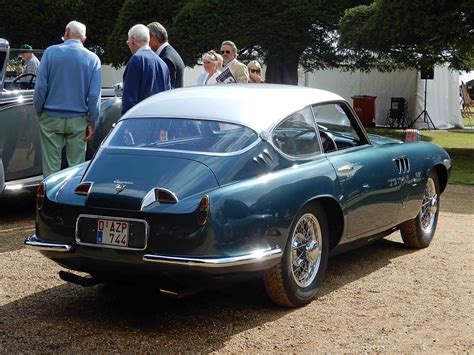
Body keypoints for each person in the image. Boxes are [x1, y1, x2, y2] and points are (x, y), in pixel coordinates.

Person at [33, 21, 101, 178]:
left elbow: (41, 87)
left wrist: (39, 111)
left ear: (66, 33)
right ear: (83, 38)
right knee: (76, 168)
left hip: (50, 116)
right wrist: (92, 121)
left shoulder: (50, 53)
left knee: (51, 168)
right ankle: (70, 200)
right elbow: (93, 95)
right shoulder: (93, 59)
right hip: (78, 119)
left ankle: (50, 200)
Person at [122, 24, 171, 115]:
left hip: (140, 121)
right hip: (159, 120)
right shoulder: (162, 63)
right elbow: (167, 97)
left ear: (132, 41)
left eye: (128, 42)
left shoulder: (136, 60)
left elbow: (129, 99)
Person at [147, 22, 185, 89]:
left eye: (147, 39)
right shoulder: (169, 53)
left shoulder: (166, 59)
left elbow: (167, 89)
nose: (146, 43)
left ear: (154, 38)